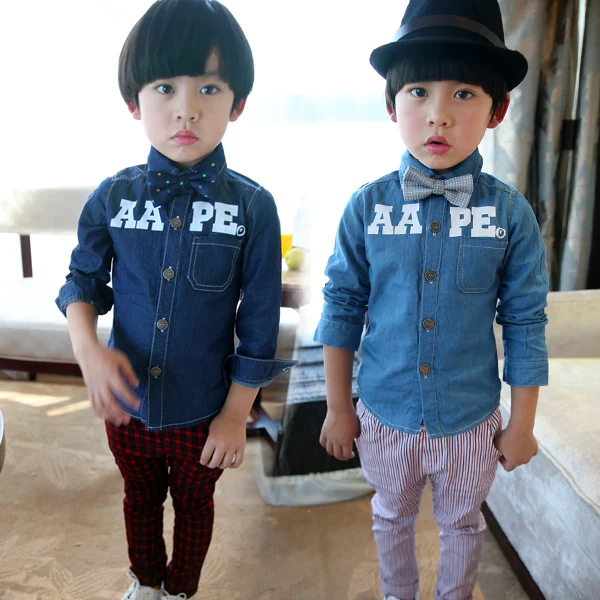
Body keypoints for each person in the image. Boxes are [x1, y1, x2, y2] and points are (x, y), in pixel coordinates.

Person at [56, 1, 294, 598]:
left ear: (237, 103)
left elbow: (259, 324)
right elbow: (82, 283)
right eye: (165, 87)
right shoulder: (112, 197)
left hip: (204, 410)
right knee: (139, 499)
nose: (186, 108)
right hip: (130, 407)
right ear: (133, 101)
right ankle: (146, 582)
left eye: (209, 88)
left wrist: (236, 415)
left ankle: (181, 589)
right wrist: (87, 348)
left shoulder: (254, 207)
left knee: (194, 505)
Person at [314, 1, 549, 599]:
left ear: (498, 110)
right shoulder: (365, 208)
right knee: (390, 517)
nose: (438, 115)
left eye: (463, 94)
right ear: (391, 105)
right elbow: (341, 307)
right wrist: (339, 407)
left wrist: (523, 423)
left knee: (463, 525)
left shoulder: (512, 215)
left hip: (469, 419)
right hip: (384, 412)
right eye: (418, 92)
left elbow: (525, 321)